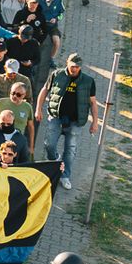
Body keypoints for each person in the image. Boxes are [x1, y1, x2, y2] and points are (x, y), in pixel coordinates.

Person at [33, 53, 97, 183]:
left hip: (75, 120)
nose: (74, 69)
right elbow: (45, 90)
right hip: (56, 116)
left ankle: (65, 175)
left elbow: (93, 102)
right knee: (49, 145)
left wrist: (95, 122)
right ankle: (55, 162)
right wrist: (38, 109)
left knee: (70, 149)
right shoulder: (57, 75)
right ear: (67, 63)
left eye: (77, 67)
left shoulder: (88, 81)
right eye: (72, 66)